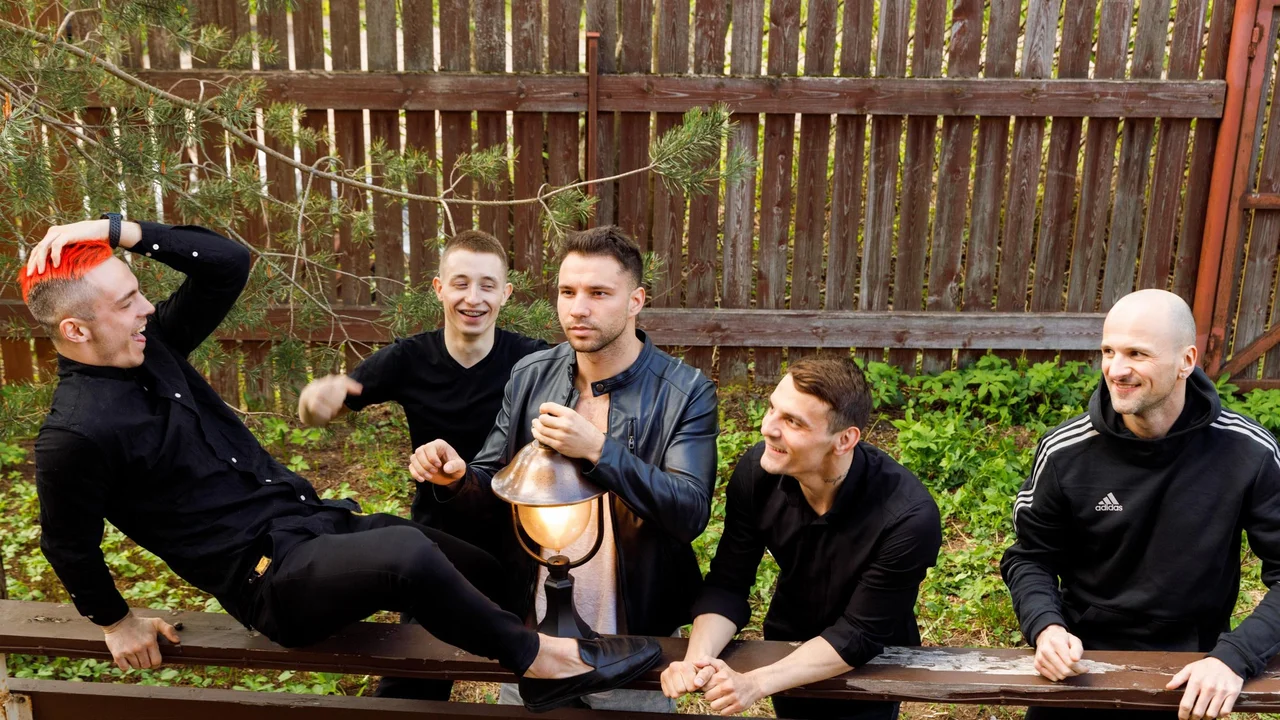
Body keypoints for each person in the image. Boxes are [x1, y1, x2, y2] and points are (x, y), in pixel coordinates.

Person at [23, 217, 660, 713]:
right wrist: (115, 620)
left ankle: (533, 667)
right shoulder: (75, 434)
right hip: (268, 581)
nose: (146, 308)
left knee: (479, 565)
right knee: (406, 556)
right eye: (127, 302)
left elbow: (227, 264)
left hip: (313, 526)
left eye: (139, 294)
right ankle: (544, 664)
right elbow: (66, 544)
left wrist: (116, 230)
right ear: (76, 330)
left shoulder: (152, 346)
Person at [410, 225, 719, 711]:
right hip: (535, 638)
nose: (578, 308)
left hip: (631, 641)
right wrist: (457, 479)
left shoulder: (683, 392)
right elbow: (494, 486)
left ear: (635, 301)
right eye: (567, 292)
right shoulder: (531, 375)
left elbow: (689, 512)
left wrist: (598, 449)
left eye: (599, 293)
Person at [1001, 289, 1280, 720]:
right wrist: (1046, 627)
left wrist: (1234, 657)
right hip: (1080, 664)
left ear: (1186, 361)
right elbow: (1029, 557)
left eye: (1137, 353)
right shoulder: (1065, 451)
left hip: (1193, 671)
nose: (1116, 369)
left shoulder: (1249, 452)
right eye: (1108, 351)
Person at [297, 229, 548, 701]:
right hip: (439, 540)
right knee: (412, 683)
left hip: (520, 538)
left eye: (487, 285)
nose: (473, 298)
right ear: (438, 288)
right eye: (460, 283)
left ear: (506, 294)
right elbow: (319, 412)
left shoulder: (534, 360)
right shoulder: (410, 358)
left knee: (544, 674)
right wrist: (315, 401)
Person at [659, 357, 941, 719]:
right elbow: (729, 582)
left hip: (872, 661)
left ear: (844, 440)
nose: (767, 428)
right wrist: (696, 660)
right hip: (788, 639)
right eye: (772, 409)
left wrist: (755, 682)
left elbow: (860, 633)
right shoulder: (758, 474)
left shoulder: (908, 517)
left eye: (793, 422)